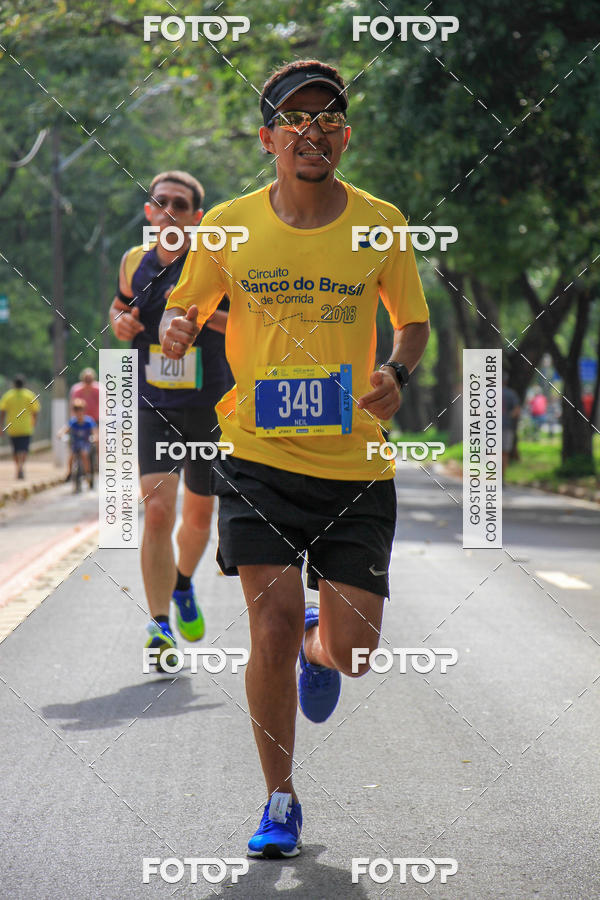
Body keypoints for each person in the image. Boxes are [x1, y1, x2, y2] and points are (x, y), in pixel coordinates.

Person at [159, 60, 430, 858]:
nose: (313, 132)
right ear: (270, 134)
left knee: (355, 654)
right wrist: (176, 324)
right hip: (258, 456)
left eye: (328, 119)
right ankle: (279, 800)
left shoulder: (382, 223)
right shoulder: (230, 225)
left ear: (344, 134)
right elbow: (186, 304)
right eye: (296, 119)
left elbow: (411, 322)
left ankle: (324, 637)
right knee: (265, 630)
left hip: (355, 467)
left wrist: (396, 373)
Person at [109, 170, 231, 669]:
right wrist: (120, 322)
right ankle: (159, 628)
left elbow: (249, 322)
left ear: (196, 217)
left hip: (211, 406)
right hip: (153, 403)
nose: (170, 211)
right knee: (158, 510)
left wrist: (198, 317)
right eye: (161, 202)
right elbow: (119, 314)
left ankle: (182, 585)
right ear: (149, 211)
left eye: (181, 205)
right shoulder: (133, 262)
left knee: (200, 517)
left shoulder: (216, 262)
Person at [0, 374, 40, 480]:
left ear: (14, 384)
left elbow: (2, 412)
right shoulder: (29, 395)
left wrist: (1, 426)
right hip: (26, 427)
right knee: (24, 449)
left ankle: (17, 467)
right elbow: (35, 410)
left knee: (15, 450)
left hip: (12, 427)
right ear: (24, 384)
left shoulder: (8, 396)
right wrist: (34, 422)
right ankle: (22, 465)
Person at [58, 398, 96, 488]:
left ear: (84, 410)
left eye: (80, 410)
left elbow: (95, 432)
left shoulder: (89, 421)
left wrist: (95, 438)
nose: (79, 413)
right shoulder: (73, 422)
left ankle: (88, 474)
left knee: (84, 454)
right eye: (76, 410)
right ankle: (69, 473)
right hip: (75, 444)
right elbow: (65, 429)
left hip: (86, 443)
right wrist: (60, 434)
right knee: (71, 456)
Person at [502, 372, 521, 480]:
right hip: (506, 427)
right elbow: (517, 410)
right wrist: (509, 416)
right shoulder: (511, 394)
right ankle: (502, 477)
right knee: (504, 453)